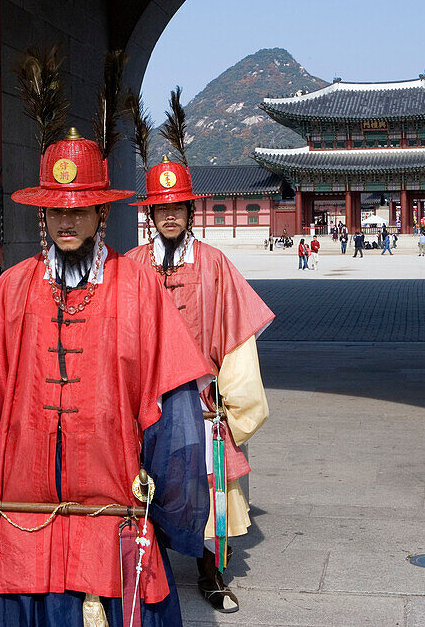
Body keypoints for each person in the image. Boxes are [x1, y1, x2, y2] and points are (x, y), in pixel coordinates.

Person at [0, 128, 212, 626]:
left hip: (114, 509)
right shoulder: (13, 288)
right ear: (43, 213)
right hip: (24, 512)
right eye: (56, 210)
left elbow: (174, 400)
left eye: (79, 210)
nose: (67, 221)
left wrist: (171, 505)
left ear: (101, 212)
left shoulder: (138, 288)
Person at [127, 159, 274, 614]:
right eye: (161, 208)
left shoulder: (213, 264)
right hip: (144, 399)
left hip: (199, 398)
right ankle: (151, 570)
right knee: (145, 486)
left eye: (179, 207)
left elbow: (235, 335)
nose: (170, 216)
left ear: (192, 211)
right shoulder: (131, 265)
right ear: (150, 215)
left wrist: (234, 402)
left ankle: (211, 573)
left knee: (209, 491)